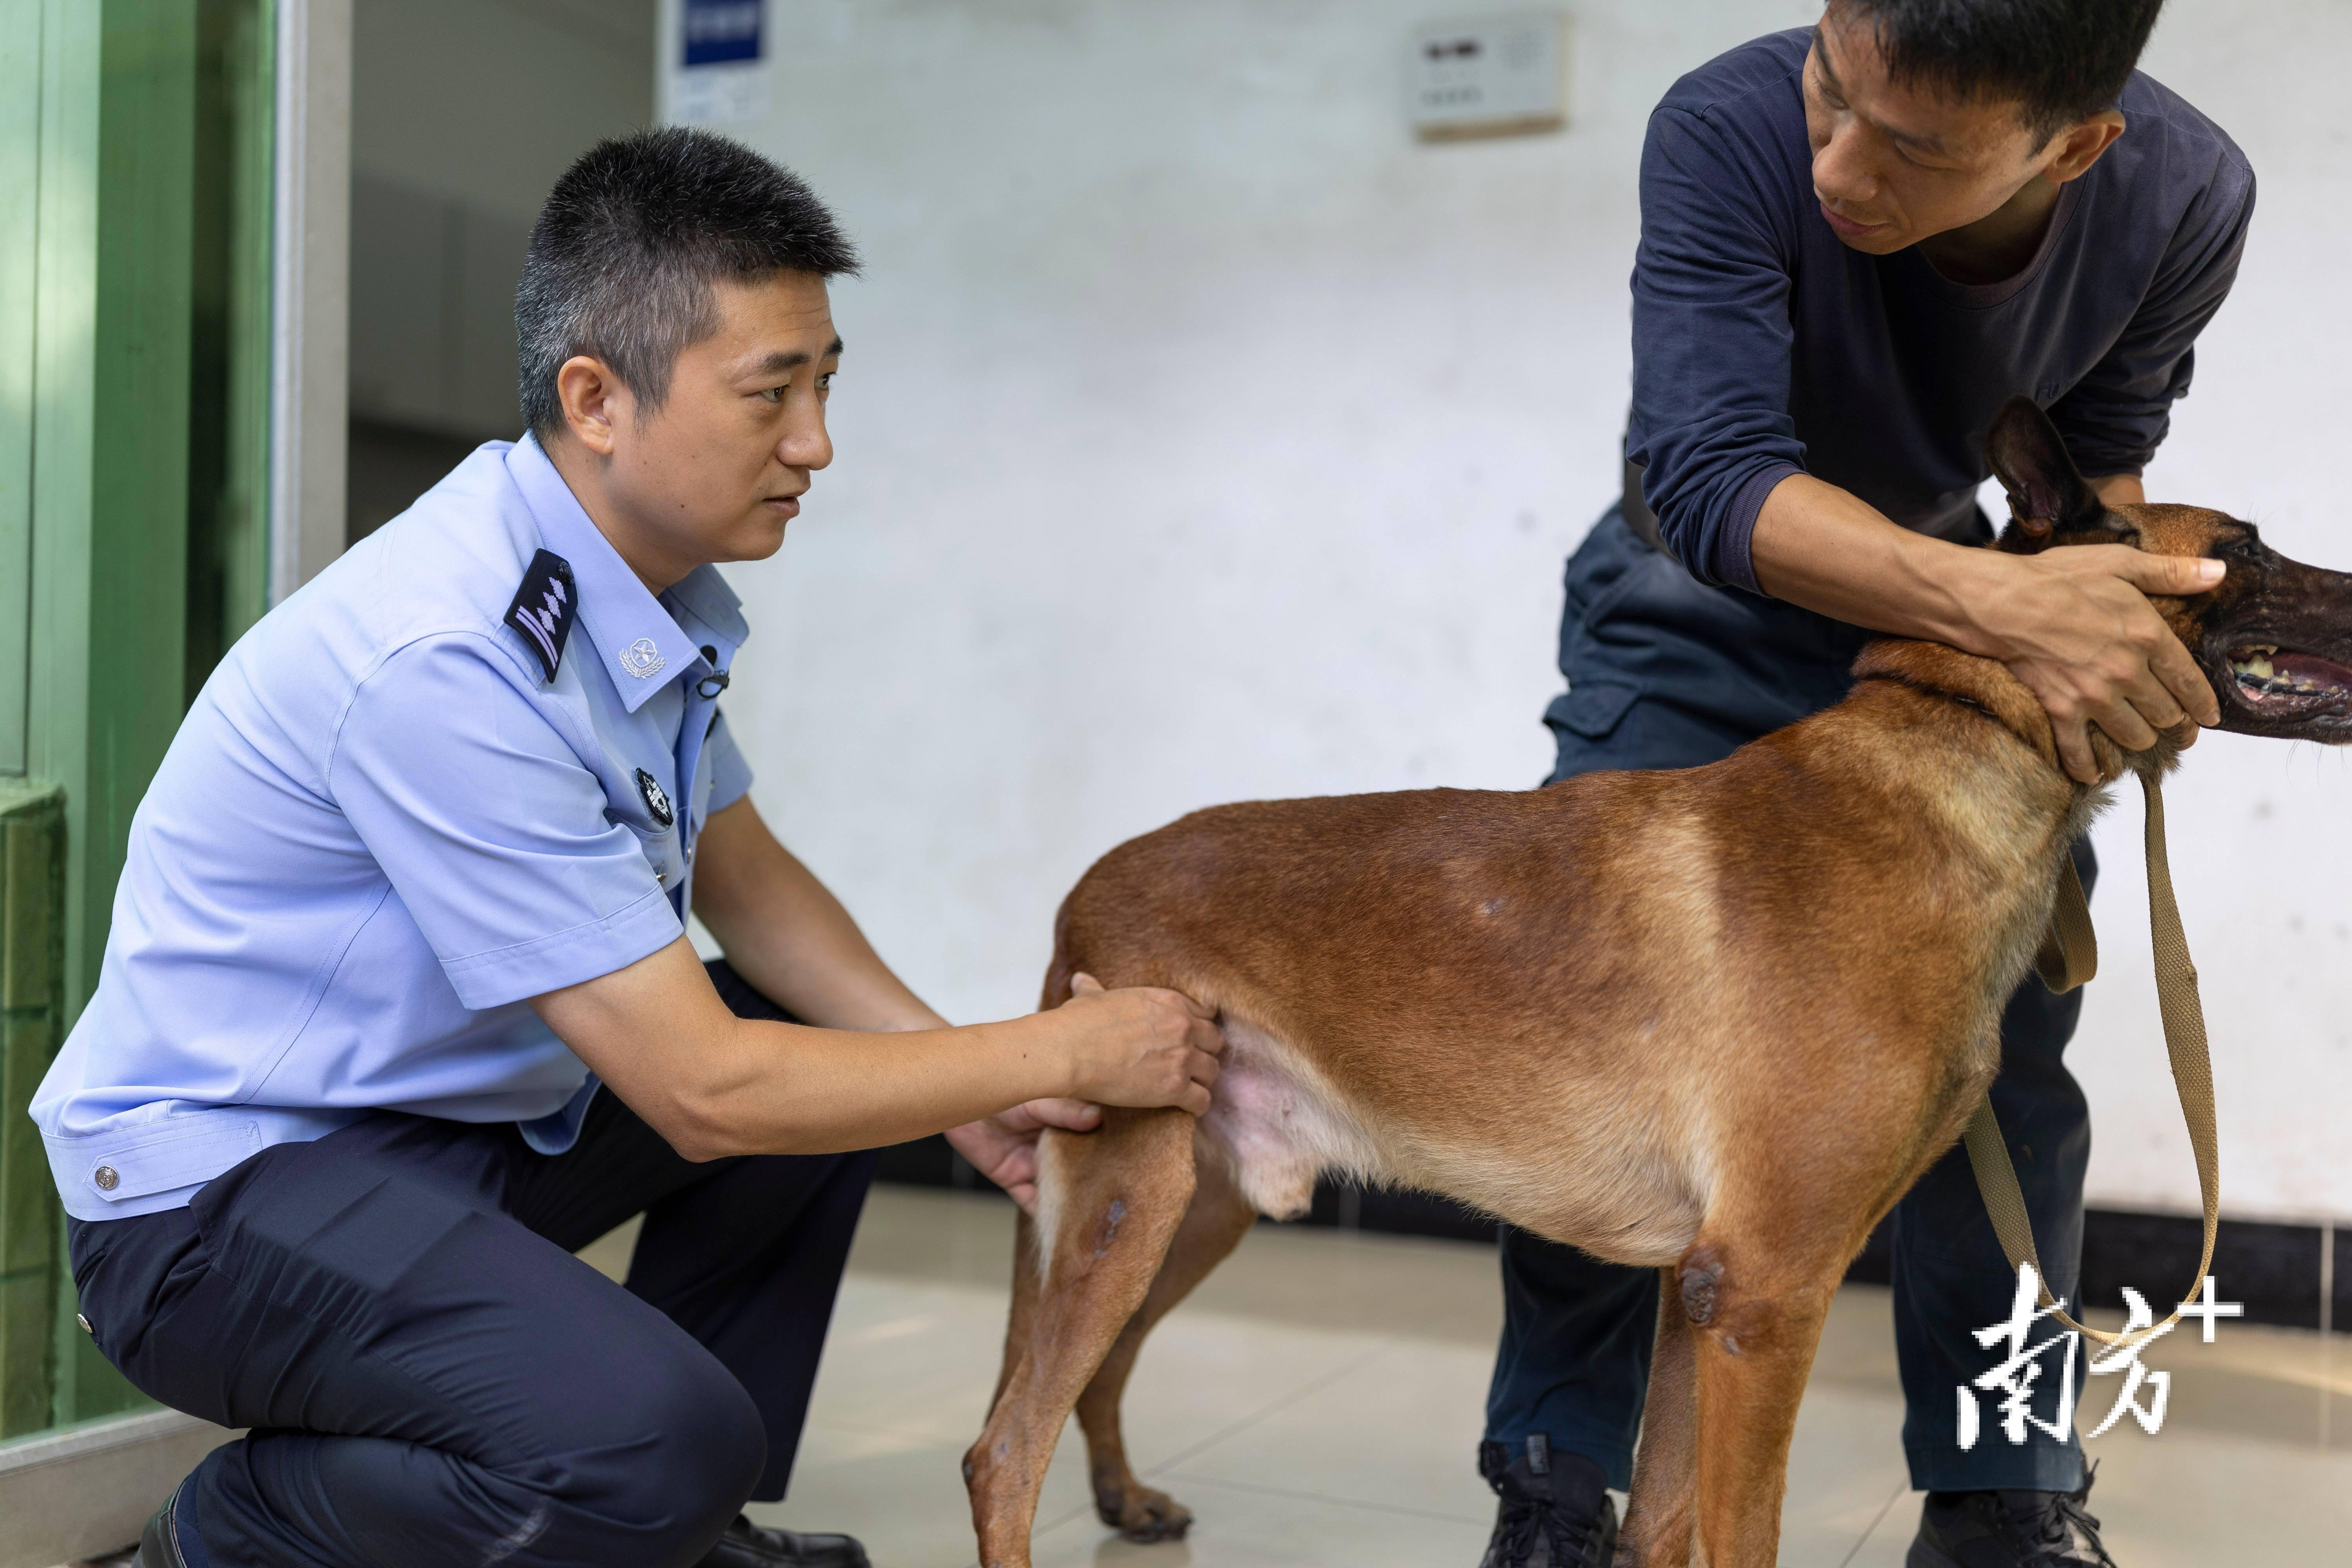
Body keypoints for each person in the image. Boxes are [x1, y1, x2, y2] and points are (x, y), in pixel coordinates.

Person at [32, 129, 1226, 1568]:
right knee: (660, 1430)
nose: (816, 444)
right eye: (769, 395)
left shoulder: (636, 595)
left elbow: (747, 875)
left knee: (825, 1054)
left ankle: (682, 1533)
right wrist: (1064, 1058)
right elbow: (704, 1091)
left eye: (827, 384)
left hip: (431, 1136)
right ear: (595, 399)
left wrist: (953, 1088)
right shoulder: (450, 653)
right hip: (217, 1207)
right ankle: (235, 1533)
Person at [1478, 4, 2249, 1566]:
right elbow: (1705, 476)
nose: (1836, 161)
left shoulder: (2183, 192)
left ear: (2073, 146)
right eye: (1831, 93)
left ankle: (2000, 1493)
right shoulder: (1724, 122)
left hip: (1966, 606)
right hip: (1697, 592)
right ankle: (1558, 1483)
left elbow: (2084, 477)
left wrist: (2100, 659)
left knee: (2012, 1043)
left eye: (1910, 149)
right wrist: (1994, 610)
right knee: (1599, 1015)